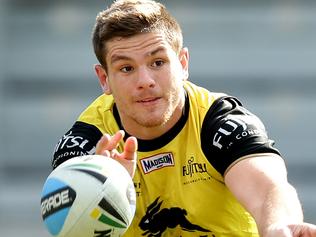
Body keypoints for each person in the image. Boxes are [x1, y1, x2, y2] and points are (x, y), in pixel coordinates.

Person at [52, 0, 316, 236]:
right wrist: (102, 192)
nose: (145, 81)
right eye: (126, 68)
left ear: (183, 64)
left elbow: (268, 189)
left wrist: (279, 226)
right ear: (104, 79)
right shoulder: (85, 146)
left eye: (158, 62)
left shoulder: (220, 121)